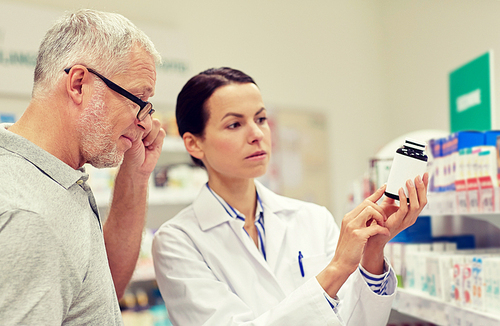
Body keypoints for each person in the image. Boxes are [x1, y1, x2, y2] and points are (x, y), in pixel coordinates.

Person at [152, 67, 429, 326]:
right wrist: (336, 270)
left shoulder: (313, 218)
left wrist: (372, 254)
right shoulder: (177, 241)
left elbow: (354, 321)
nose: (257, 134)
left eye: (261, 119)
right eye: (235, 125)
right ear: (194, 143)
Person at [0, 9, 165, 325]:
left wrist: (137, 175)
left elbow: (99, 291)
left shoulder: (54, 177)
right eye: (137, 101)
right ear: (78, 84)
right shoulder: (27, 215)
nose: (145, 123)